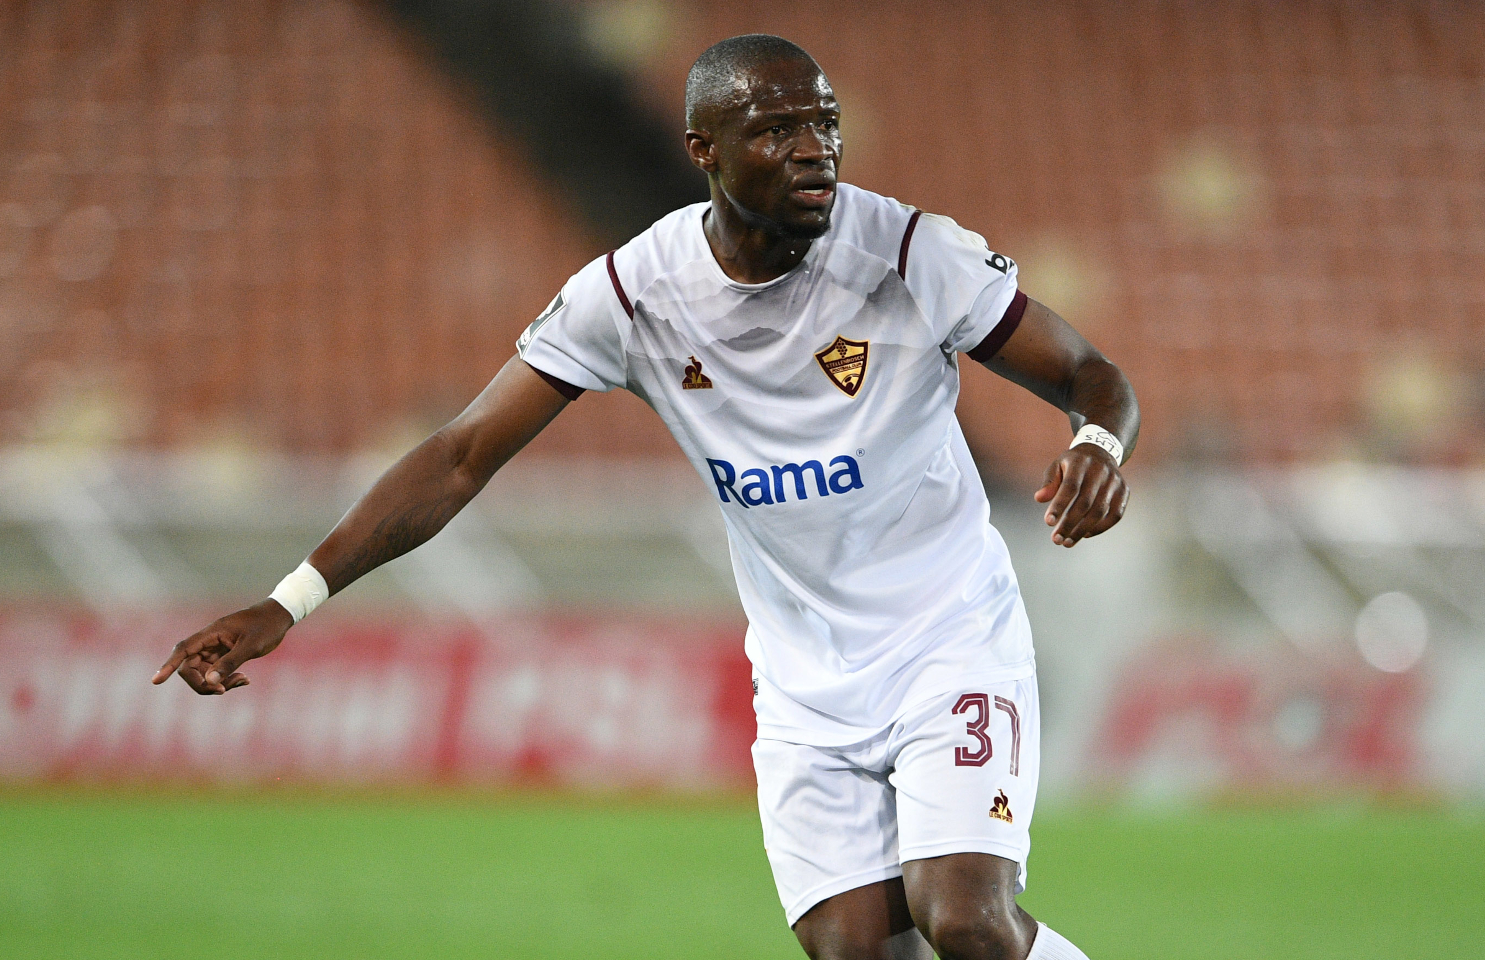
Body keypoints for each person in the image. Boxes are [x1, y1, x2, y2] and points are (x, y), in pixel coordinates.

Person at [154, 34, 1137, 960]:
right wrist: (291, 600)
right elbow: (459, 456)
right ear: (704, 150)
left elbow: (1090, 373)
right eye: (777, 130)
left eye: (825, 122)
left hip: (947, 640)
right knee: (850, 947)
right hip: (805, 681)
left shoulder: (910, 253)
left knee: (964, 920)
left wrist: (1096, 441)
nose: (815, 150)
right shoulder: (633, 295)